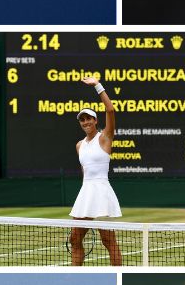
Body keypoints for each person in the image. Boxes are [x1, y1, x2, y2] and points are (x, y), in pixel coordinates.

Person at [68, 77, 122, 266]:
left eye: (88, 118)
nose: (85, 122)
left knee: (108, 240)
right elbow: (85, 173)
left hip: (101, 191)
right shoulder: (79, 145)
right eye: (82, 119)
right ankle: (76, 276)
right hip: (86, 192)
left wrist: (97, 86)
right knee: (74, 239)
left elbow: (111, 110)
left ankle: (117, 274)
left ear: (95, 120)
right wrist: (84, 195)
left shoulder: (105, 137)